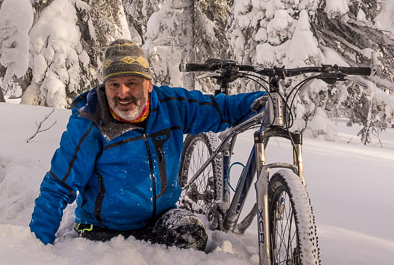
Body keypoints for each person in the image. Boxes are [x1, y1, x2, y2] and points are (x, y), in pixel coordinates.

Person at [29, 39, 266, 250]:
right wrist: (39, 247)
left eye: (131, 83)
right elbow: (58, 186)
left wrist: (260, 102)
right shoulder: (90, 123)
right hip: (105, 232)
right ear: (105, 86)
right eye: (114, 85)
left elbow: (220, 109)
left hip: (160, 219)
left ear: (148, 84)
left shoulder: (169, 105)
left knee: (192, 236)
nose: (122, 93)